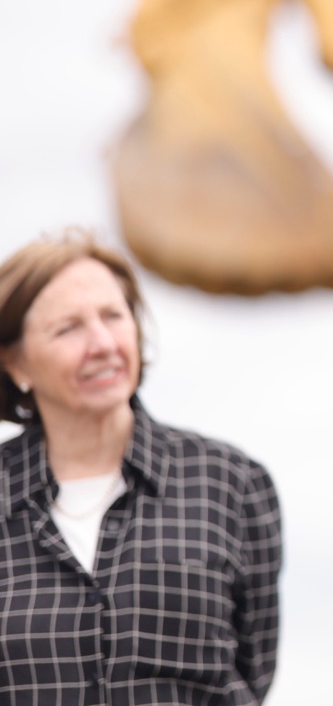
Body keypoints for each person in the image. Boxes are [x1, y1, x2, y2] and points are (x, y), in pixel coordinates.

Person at [0, 229, 282, 704]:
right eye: (68, 328)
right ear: (15, 362)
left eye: (114, 316)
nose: (103, 344)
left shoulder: (232, 482)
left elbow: (253, 671)